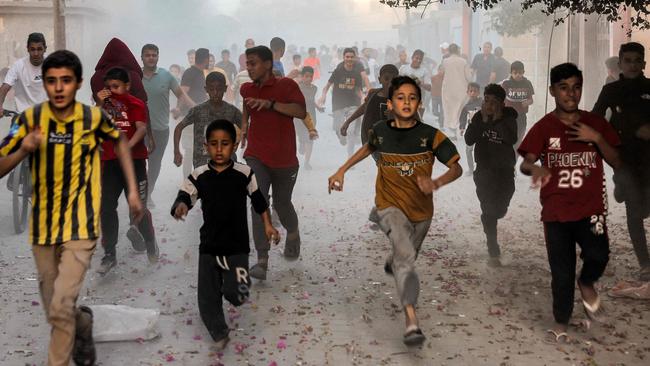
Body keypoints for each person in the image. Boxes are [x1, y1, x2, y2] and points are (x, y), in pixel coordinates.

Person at [0, 50, 143, 366]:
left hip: (81, 227)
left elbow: (119, 142)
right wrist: (23, 149)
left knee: (61, 307)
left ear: (78, 83)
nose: (59, 88)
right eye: (51, 81)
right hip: (43, 231)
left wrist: (132, 191)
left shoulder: (93, 119)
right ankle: (84, 323)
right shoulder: (28, 121)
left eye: (66, 80)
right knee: (56, 308)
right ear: (45, 85)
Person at [328, 76, 462, 346]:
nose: (406, 102)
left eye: (412, 97)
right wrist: (341, 170)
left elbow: (456, 168)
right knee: (405, 262)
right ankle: (411, 320)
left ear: (419, 103)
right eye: (400, 97)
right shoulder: (380, 130)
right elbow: (368, 149)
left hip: (422, 213)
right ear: (390, 104)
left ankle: (395, 258)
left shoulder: (431, 136)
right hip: (388, 206)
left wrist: (436, 182)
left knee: (406, 256)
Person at [519, 63, 621, 343]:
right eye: (563, 88)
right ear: (553, 91)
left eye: (576, 87)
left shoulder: (595, 123)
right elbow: (525, 164)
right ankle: (561, 321)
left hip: (593, 212)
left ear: (581, 88)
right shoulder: (543, 128)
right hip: (556, 213)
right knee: (561, 272)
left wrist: (596, 138)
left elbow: (617, 160)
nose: (570, 93)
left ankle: (587, 282)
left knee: (600, 255)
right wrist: (536, 169)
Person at [172, 119, 279, 350]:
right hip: (209, 245)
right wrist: (181, 206)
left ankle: (227, 285)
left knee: (237, 293)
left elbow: (259, 201)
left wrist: (268, 225)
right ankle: (219, 333)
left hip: (237, 246)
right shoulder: (199, 174)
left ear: (234, 145)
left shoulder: (245, 173)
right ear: (205, 146)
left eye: (225, 144)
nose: (219, 149)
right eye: (213, 144)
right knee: (207, 299)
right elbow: (186, 195)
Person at [240, 45, 307, 280]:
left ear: (268, 64)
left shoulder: (286, 85)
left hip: (285, 160)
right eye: (247, 64)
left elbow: (300, 112)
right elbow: (247, 108)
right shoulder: (246, 88)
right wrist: (244, 128)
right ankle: (262, 259)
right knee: (258, 201)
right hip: (256, 155)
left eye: (253, 63)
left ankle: (294, 232)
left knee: (282, 204)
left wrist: (271, 105)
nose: (249, 68)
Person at [592, 42, 650, 281]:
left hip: (649, 158)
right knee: (634, 212)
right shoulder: (611, 90)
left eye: (637, 60)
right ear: (620, 64)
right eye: (628, 61)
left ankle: (624, 188)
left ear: (644, 64)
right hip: (623, 157)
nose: (633, 65)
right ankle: (645, 264)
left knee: (645, 206)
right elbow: (597, 119)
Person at [95, 67, 159, 274]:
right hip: (111, 163)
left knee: (138, 207)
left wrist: (128, 147)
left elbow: (140, 128)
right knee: (106, 207)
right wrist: (98, 103)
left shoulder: (136, 104)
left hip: (135, 162)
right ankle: (109, 254)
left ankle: (150, 242)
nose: (111, 91)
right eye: (108, 87)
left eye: (116, 86)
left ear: (128, 86)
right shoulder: (104, 105)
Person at [465, 84, 517, 265]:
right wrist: (484, 122)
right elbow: (468, 139)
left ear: (502, 104)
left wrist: (498, 119)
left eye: (494, 102)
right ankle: (492, 246)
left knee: (500, 209)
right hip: (484, 171)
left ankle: (492, 217)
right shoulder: (479, 117)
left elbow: (511, 139)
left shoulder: (509, 118)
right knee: (488, 209)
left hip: (505, 171)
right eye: (486, 100)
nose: (489, 105)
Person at [141, 43, 195, 205]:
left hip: (160, 129)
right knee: (138, 163)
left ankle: (147, 194)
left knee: (155, 163)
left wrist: (183, 108)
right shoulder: (134, 75)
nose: (151, 58)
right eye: (147, 55)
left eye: (154, 55)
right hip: (138, 129)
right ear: (142, 57)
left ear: (158, 56)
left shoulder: (166, 76)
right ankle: (139, 193)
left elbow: (181, 94)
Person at [174, 72, 242, 168]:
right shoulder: (198, 110)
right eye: (211, 89)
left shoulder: (232, 111)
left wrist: (237, 143)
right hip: (201, 162)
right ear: (206, 89)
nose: (215, 93)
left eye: (218, 89)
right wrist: (177, 151)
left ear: (225, 89)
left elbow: (246, 128)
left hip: (226, 161)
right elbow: (178, 128)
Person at [317, 47, 365, 156]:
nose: (349, 59)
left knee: (351, 131)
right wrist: (323, 96)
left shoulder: (357, 73)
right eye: (347, 57)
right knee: (337, 128)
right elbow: (327, 86)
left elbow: (358, 89)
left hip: (353, 104)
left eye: (352, 57)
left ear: (355, 58)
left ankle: (350, 157)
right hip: (338, 104)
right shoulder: (338, 71)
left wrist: (362, 97)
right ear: (343, 58)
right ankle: (341, 136)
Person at [340, 64, 399, 147]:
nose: (390, 83)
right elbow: (364, 108)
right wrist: (348, 122)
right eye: (386, 79)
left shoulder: (401, 99)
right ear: (379, 80)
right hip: (374, 138)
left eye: (394, 80)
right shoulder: (373, 94)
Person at [180, 48, 211, 177]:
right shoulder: (190, 72)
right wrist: (195, 107)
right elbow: (182, 92)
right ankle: (187, 179)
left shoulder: (200, 73)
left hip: (200, 117)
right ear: (206, 59)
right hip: (191, 117)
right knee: (190, 150)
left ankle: (197, 177)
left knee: (200, 148)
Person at [0, 32, 47, 115]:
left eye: (39, 49)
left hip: (46, 117)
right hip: (22, 117)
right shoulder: (18, 65)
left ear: (45, 49)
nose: (36, 53)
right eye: (32, 49)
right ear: (27, 49)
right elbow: (5, 87)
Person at [440, 43, 472, 140]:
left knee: (449, 110)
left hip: (448, 90)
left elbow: (441, 73)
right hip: (461, 89)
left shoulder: (445, 61)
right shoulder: (463, 62)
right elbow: (468, 77)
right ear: (458, 50)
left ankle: (452, 131)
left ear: (449, 51)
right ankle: (455, 129)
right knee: (458, 109)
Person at [501, 61, 534, 149]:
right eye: (515, 73)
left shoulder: (527, 83)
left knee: (521, 134)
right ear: (511, 73)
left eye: (520, 73)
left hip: (521, 115)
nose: (518, 75)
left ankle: (515, 152)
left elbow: (531, 100)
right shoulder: (506, 84)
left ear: (523, 72)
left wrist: (527, 102)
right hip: (509, 115)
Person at [294, 66, 321, 170]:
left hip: (312, 116)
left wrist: (318, 107)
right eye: (306, 76)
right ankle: (301, 142)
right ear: (302, 77)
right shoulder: (297, 87)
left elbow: (311, 100)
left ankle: (307, 162)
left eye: (311, 76)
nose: (309, 78)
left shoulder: (314, 88)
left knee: (310, 138)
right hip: (299, 117)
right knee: (302, 137)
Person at [459, 82, 482, 175]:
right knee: (468, 149)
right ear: (467, 92)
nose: (473, 93)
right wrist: (462, 127)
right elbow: (463, 118)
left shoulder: (482, 103)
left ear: (478, 93)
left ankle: (480, 168)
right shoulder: (466, 106)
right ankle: (471, 169)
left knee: (480, 150)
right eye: (471, 91)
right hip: (471, 130)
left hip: (482, 130)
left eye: (475, 91)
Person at [399, 49, 432, 115]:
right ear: (412, 57)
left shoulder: (424, 71)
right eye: (416, 58)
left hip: (418, 100)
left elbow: (429, 87)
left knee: (417, 121)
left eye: (420, 59)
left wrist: (420, 83)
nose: (418, 60)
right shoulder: (403, 68)